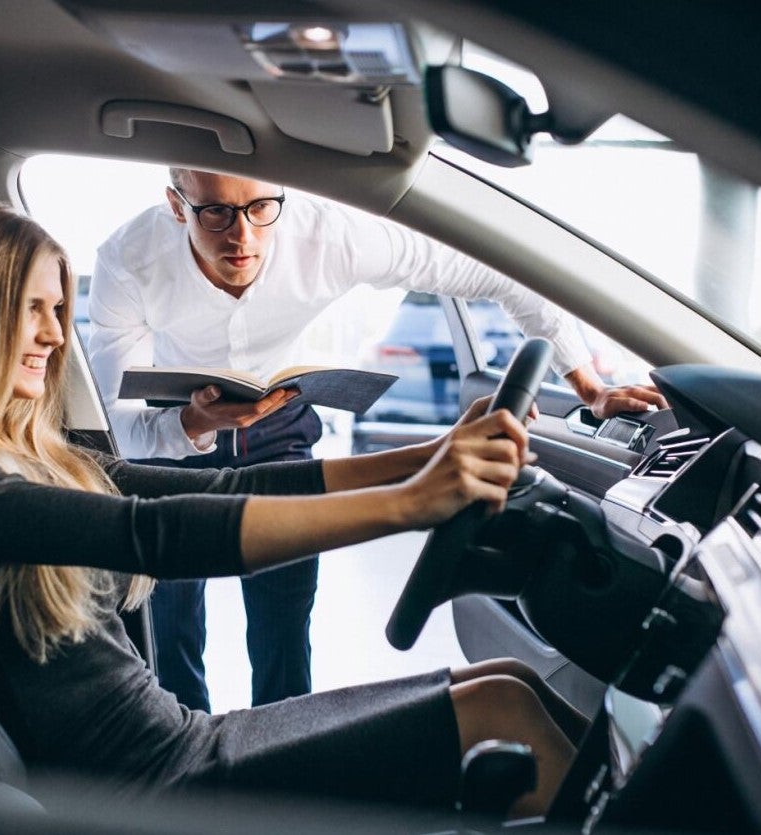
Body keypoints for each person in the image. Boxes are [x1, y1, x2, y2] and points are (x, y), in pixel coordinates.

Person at [0, 200, 585, 816]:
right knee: (499, 716)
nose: (54, 334)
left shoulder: (30, 455)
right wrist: (411, 503)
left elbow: (223, 490)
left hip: (179, 743)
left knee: (505, 683)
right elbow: (156, 535)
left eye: (57, 310)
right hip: (148, 789)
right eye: (32, 310)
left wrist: (425, 458)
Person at [86, 168, 668, 712]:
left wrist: (589, 387)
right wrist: (193, 425)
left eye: (261, 207)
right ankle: (187, 759)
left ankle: (278, 754)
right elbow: (119, 424)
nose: (243, 235)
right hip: (174, 431)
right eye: (215, 212)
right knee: (171, 624)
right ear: (176, 205)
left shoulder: (331, 237)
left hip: (280, 421)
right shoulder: (128, 258)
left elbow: (499, 272)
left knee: (285, 619)